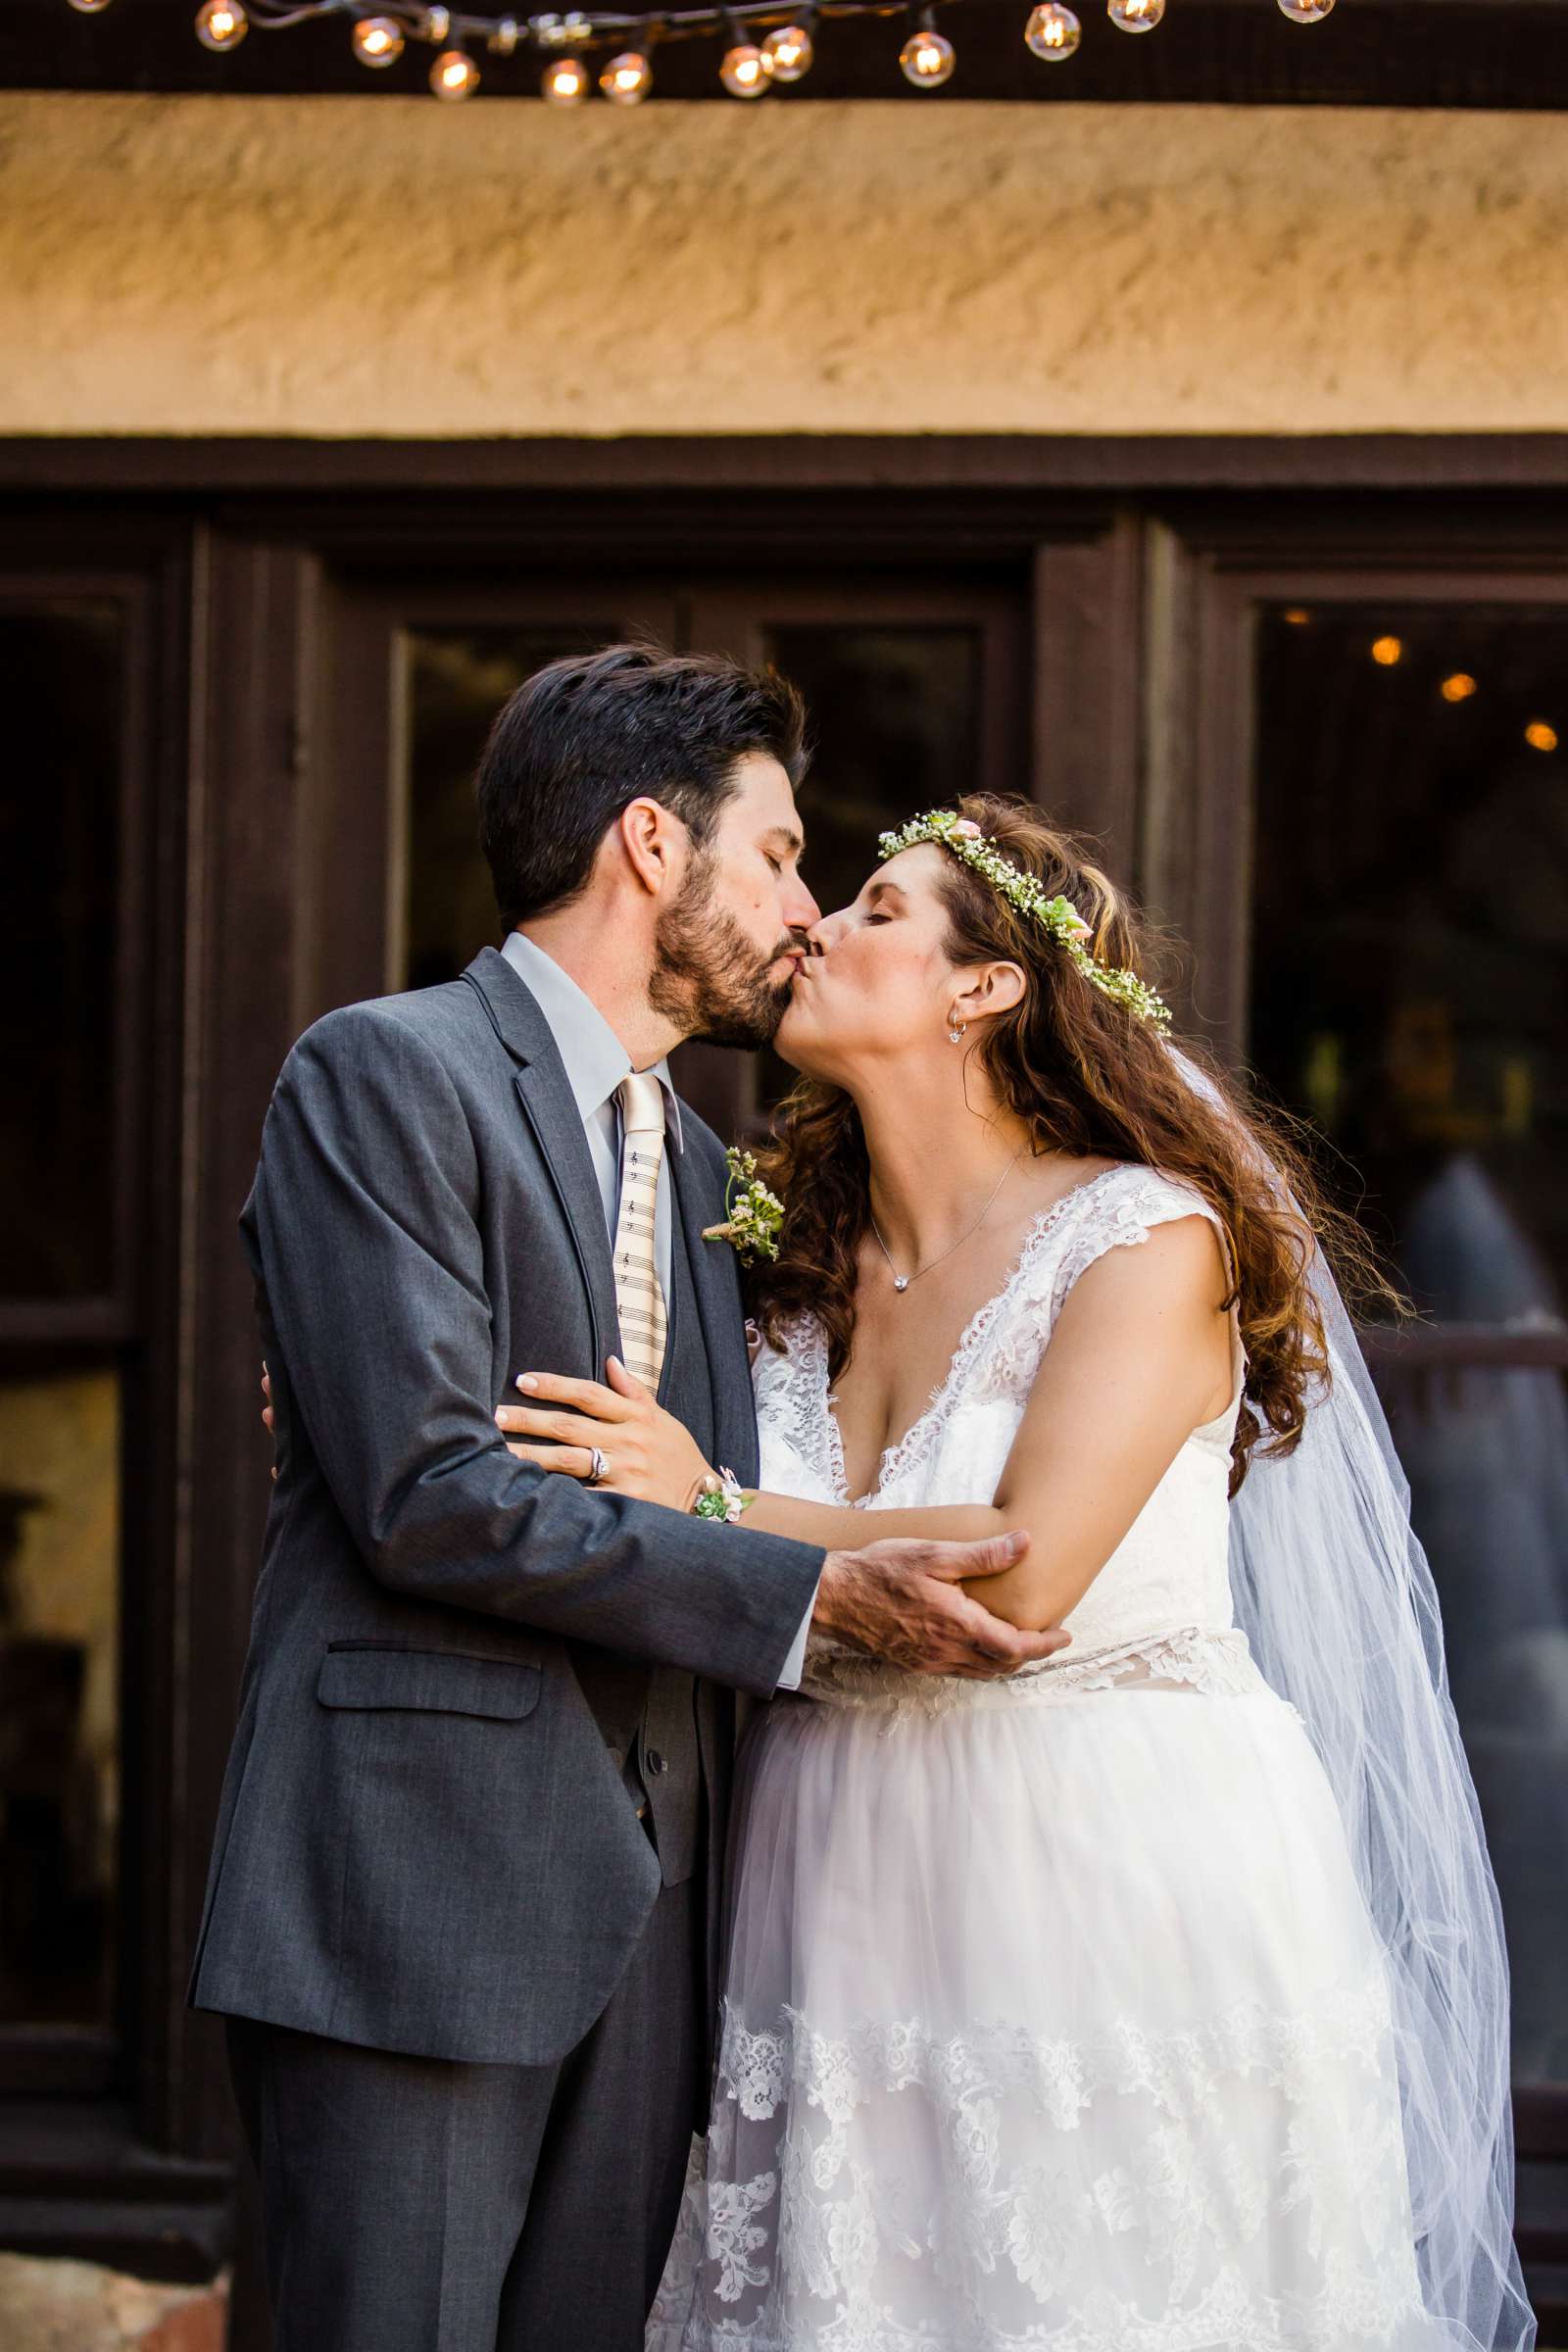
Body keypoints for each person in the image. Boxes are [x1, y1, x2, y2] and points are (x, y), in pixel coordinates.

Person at [500, 796, 1537, 2351]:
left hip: (1099, 1861)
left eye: (873, 911)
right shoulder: (776, 1270)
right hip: (831, 1859)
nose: (814, 928)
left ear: (985, 990)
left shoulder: (1144, 1242)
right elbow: (561, 1426)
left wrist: (705, 1501)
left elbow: (1018, 1576)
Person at [194, 649, 1070, 2352]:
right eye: (782, 853)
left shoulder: (699, 1164)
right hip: (418, 1891)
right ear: (652, 849)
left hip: (664, 1915)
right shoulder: (384, 1073)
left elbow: (706, 1472)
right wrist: (804, 1602)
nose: (804, 910)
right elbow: (433, 1490)